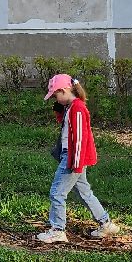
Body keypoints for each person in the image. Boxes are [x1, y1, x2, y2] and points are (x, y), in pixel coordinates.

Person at [37, 73, 119, 244]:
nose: (56, 98)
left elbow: (80, 138)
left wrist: (76, 162)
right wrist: (59, 110)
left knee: (57, 193)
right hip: (73, 156)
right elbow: (66, 126)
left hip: (73, 157)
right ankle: (105, 224)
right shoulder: (70, 107)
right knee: (84, 192)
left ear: (65, 90)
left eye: (56, 95)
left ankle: (58, 230)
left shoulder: (78, 108)